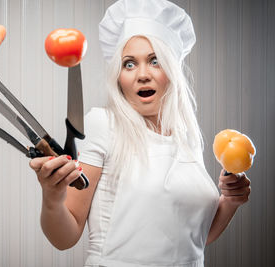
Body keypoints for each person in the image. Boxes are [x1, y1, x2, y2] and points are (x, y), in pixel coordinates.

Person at [29, 0, 251, 266]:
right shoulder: (103, 124)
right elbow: (65, 237)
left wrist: (230, 201)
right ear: (119, 75)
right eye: (129, 64)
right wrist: (52, 200)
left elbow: (193, 237)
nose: (142, 74)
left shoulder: (187, 137)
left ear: (172, 71)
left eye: (155, 61)